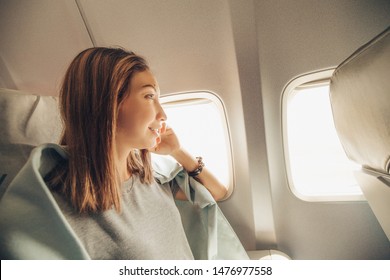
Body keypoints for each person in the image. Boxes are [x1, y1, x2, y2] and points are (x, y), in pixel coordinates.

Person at [43, 47, 228, 259]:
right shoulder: (62, 210)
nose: (163, 114)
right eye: (149, 96)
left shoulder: (150, 175)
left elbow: (215, 193)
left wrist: (178, 152)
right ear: (108, 103)